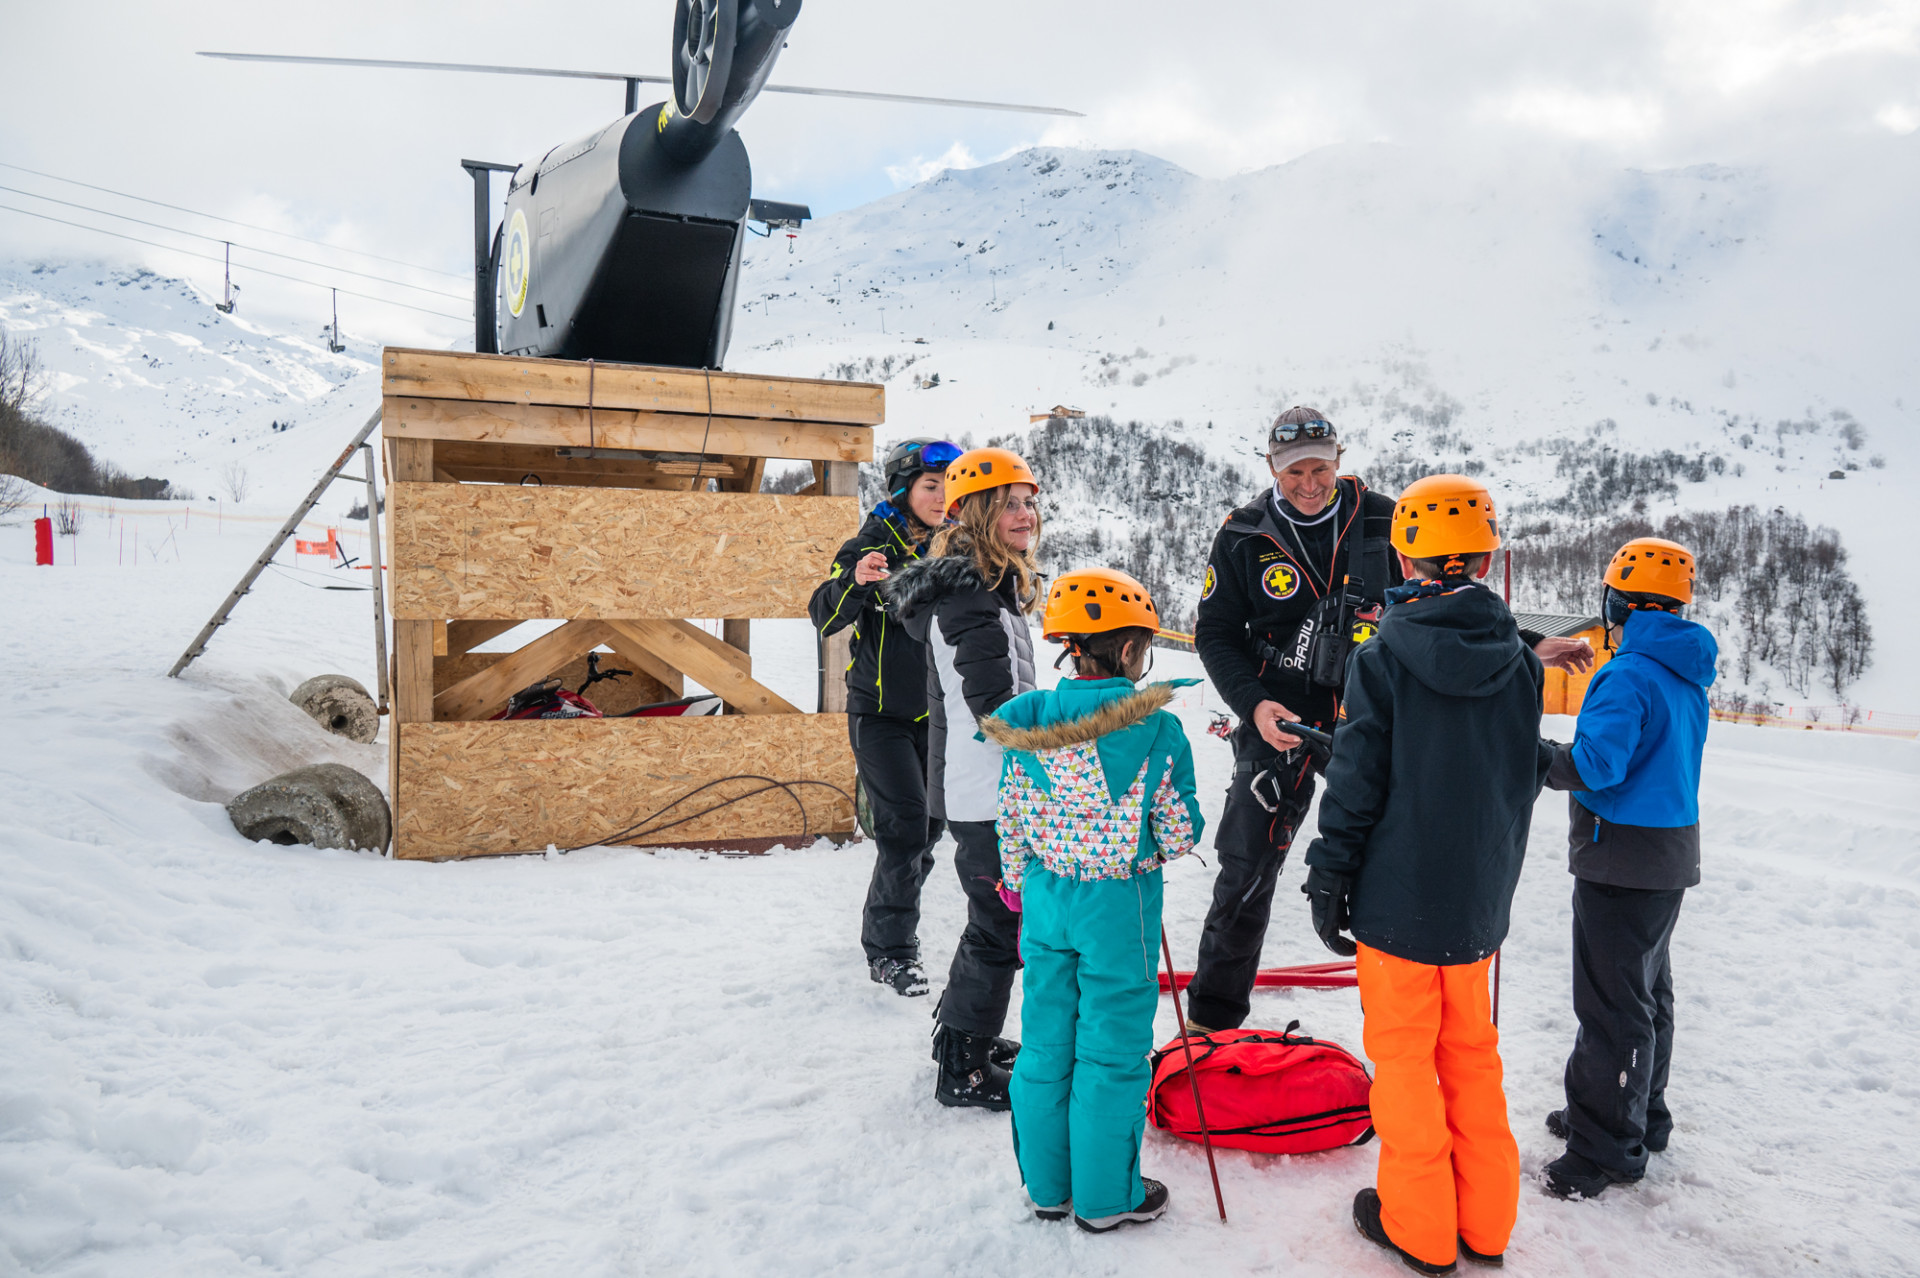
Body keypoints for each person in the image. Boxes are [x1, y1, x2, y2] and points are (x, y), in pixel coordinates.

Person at [1187, 407, 1594, 1035]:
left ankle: (1412, 1033)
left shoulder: (1384, 517)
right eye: (1295, 471)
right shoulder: (1243, 535)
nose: (1310, 482)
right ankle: (1214, 1028)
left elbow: (1450, 608)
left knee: (1403, 864)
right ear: (1272, 467)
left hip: (1383, 718)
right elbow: (1214, 635)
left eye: (1321, 467)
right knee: (1246, 868)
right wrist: (1254, 704)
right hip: (1282, 722)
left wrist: (1526, 646)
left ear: (1340, 460)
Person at [1300, 473, 1547, 1275]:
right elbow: (1509, 770)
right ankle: (1485, 1223)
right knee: (1471, 1057)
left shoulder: (1385, 657)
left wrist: (1328, 875)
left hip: (1398, 903)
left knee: (1405, 1064)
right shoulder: (1519, 659)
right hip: (1476, 904)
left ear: (1405, 550)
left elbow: (1360, 781)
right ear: (1484, 554)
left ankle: (1419, 1226)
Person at [980, 568, 1204, 1233]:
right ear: (1133, 650)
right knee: (1109, 1049)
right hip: (1118, 907)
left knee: (1047, 1042)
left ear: (1068, 647)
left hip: (1046, 900)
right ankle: (1107, 1197)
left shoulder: (1029, 722)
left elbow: (1010, 819)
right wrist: (1150, 849)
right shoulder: (1156, 731)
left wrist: (1018, 886)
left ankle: (1048, 1187)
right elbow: (1179, 831)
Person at [1539, 537, 1716, 1200]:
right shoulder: (1683, 669)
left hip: (1622, 857)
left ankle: (1607, 1147)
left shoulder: (1628, 672)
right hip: (1667, 852)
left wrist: (1535, 757)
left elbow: (1597, 766)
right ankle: (1639, 1116)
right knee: (1646, 994)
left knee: (1613, 1005)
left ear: (1619, 601)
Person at [884, 447, 1042, 1109]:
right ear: (977, 513)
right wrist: (1085, 727)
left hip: (990, 785)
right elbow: (999, 710)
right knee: (998, 928)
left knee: (996, 924)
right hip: (987, 791)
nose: (1025, 514)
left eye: (1031, 501)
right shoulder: (970, 594)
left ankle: (964, 1036)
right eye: (1009, 503)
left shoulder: (984, 585)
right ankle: (962, 1067)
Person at [808, 438, 962, 997]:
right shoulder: (872, 544)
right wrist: (856, 581)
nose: (942, 496)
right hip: (879, 714)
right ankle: (892, 950)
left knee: (931, 827)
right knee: (904, 829)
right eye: (930, 485)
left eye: (949, 485)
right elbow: (823, 616)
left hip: (937, 714)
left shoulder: (958, 546)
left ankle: (888, 915)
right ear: (902, 490)